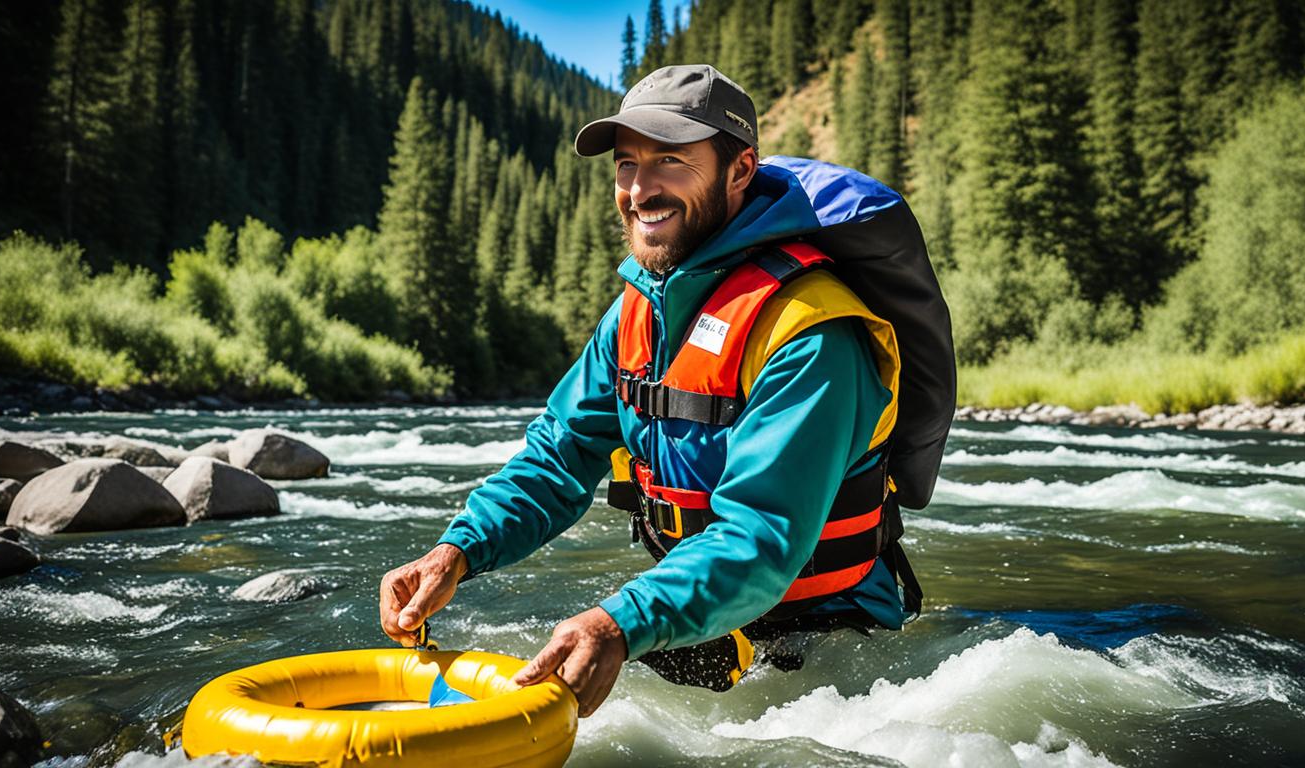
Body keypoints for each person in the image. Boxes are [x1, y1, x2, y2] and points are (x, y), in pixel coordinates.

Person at [380, 64, 922, 718]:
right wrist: (458, 550)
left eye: (670, 159)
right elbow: (559, 455)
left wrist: (618, 623)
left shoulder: (810, 333)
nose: (640, 188)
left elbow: (760, 538)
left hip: (834, 653)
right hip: (700, 620)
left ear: (740, 170)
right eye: (628, 163)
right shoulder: (638, 313)